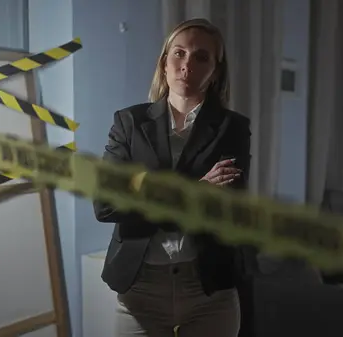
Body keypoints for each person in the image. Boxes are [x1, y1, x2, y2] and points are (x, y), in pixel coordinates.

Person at [93, 18, 253, 337]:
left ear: (216, 71)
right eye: (178, 53)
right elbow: (106, 206)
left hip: (209, 288)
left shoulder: (232, 128)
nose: (187, 65)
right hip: (140, 290)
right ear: (164, 62)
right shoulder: (129, 123)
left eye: (201, 57)